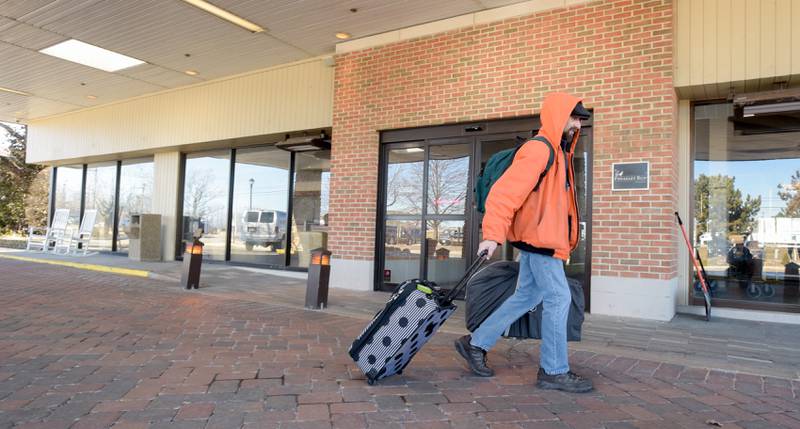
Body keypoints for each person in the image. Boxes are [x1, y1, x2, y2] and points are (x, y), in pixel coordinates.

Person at [454, 93, 593, 393]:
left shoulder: (559, 153)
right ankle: (554, 371)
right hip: (539, 240)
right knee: (559, 298)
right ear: (559, 116)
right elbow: (504, 194)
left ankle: (475, 343)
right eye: (575, 117)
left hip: (543, 239)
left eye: (581, 118)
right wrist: (492, 234)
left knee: (527, 297)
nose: (579, 122)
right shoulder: (539, 150)